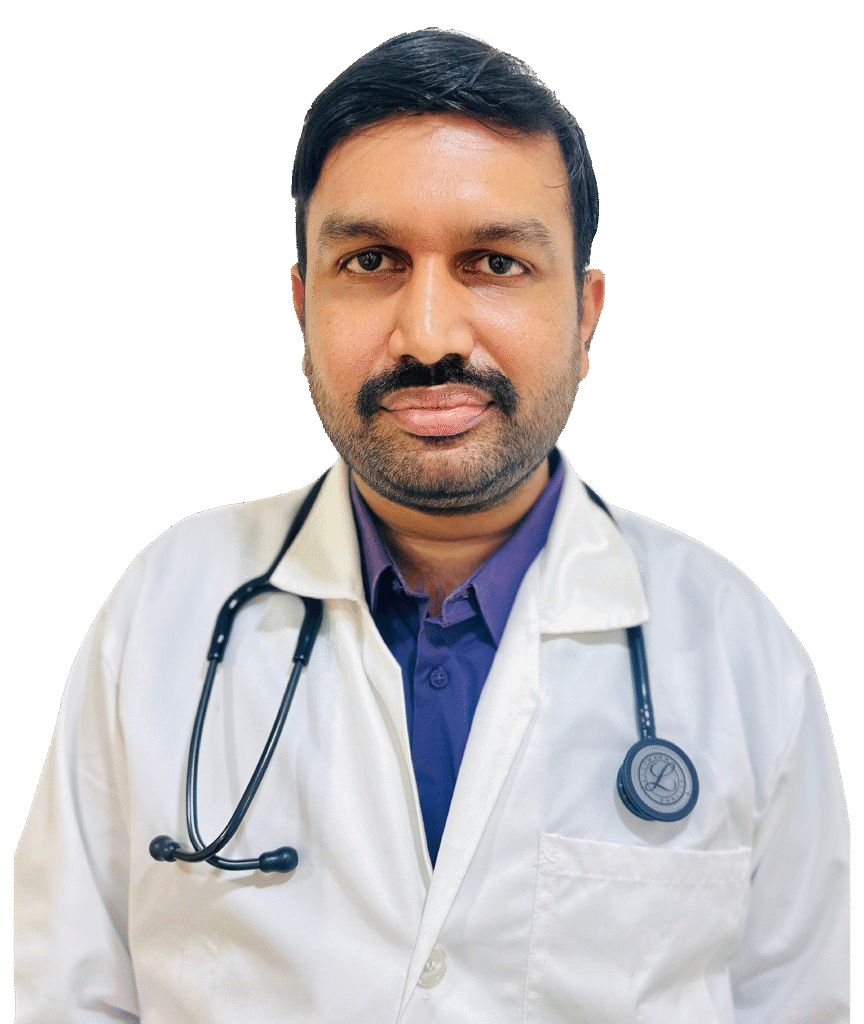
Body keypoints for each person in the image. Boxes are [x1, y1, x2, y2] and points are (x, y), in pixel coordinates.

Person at [14, 27, 849, 1023]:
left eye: (494, 262)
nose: (428, 334)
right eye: (371, 260)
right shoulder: (163, 613)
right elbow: (60, 998)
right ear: (302, 306)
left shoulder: (738, 651)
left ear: (585, 316)